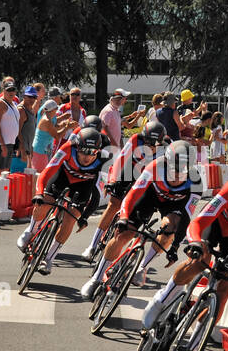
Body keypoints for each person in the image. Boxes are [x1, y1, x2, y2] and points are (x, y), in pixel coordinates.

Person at [141, 166, 228, 329]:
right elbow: (198, 223)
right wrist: (194, 242)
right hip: (214, 224)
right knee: (199, 261)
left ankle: (194, 343)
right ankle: (161, 299)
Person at [81, 138, 196, 298]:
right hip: (148, 197)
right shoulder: (155, 167)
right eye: (173, 169)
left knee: (170, 229)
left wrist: (175, 247)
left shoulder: (197, 180)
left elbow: (186, 218)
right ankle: (96, 278)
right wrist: (124, 217)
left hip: (173, 206)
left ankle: (141, 267)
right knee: (124, 234)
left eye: (182, 171)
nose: (177, 175)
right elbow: (132, 196)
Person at [17, 126, 109, 275]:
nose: (87, 156)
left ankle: (48, 259)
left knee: (70, 220)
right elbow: (45, 173)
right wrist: (39, 193)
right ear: (76, 147)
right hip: (62, 177)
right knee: (45, 202)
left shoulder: (104, 159)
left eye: (92, 152)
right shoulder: (68, 148)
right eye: (83, 151)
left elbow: (97, 194)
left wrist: (84, 217)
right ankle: (30, 231)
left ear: (98, 151)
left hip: (83, 186)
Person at [83, 120, 166, 260]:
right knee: (113, 204)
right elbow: (121, 159)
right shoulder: (135, 139)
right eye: (146, 141)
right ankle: (92, 245)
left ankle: (122, 253)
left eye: (153, 144)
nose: (148, 146)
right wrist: (112, 181)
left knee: (141, 215)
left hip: (149, 180)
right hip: (130, 171)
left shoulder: (166, 148)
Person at [32, 99, 73, 173]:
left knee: (43, 172)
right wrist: (67, 127)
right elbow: (57, 136)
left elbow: (56, 123)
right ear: (52, 110)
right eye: (56, 108)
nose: (57, 110)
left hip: (44, 150)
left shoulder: (49, 116)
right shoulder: (47, 121)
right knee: (40, 174)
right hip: (40, 150)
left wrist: (63, 118)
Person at [0, 78, 21, 172]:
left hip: (10, 143)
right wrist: (2, 145)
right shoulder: (0, 103)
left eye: (13, 90)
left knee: (6, 171)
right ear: (4, 90)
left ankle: (3, 187)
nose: (11, 92)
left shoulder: (13, 104)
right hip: (0, 144)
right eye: (8, 90)